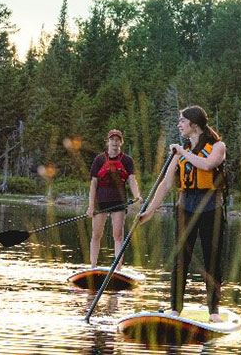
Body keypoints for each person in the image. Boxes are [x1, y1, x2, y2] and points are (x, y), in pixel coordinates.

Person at [139, 105, 227, 322]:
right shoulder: (180, 152)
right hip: (185, 207)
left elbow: (207, 165)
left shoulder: (218, 146)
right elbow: (166, 183)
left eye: (182, 120)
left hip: (210, 208)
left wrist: (182, 152)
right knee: (181, 259)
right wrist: (150, 211)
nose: (179, 124)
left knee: (212, 259)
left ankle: (213, 311)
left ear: (194, 124)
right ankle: (175, 309)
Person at [86, 129, 142, 270]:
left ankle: (118, 268)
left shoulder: (127, 160)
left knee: (118, 234)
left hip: (119, 201)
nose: (115, 142)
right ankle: (93, 266)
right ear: (108, 141)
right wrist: (91, 206)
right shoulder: (99, 159)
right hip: (101, 201)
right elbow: (93, 184)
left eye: (117, 140)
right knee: (96, 234)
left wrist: (137, 195)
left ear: (121, 142)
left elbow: (132, 180)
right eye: (112, 140)